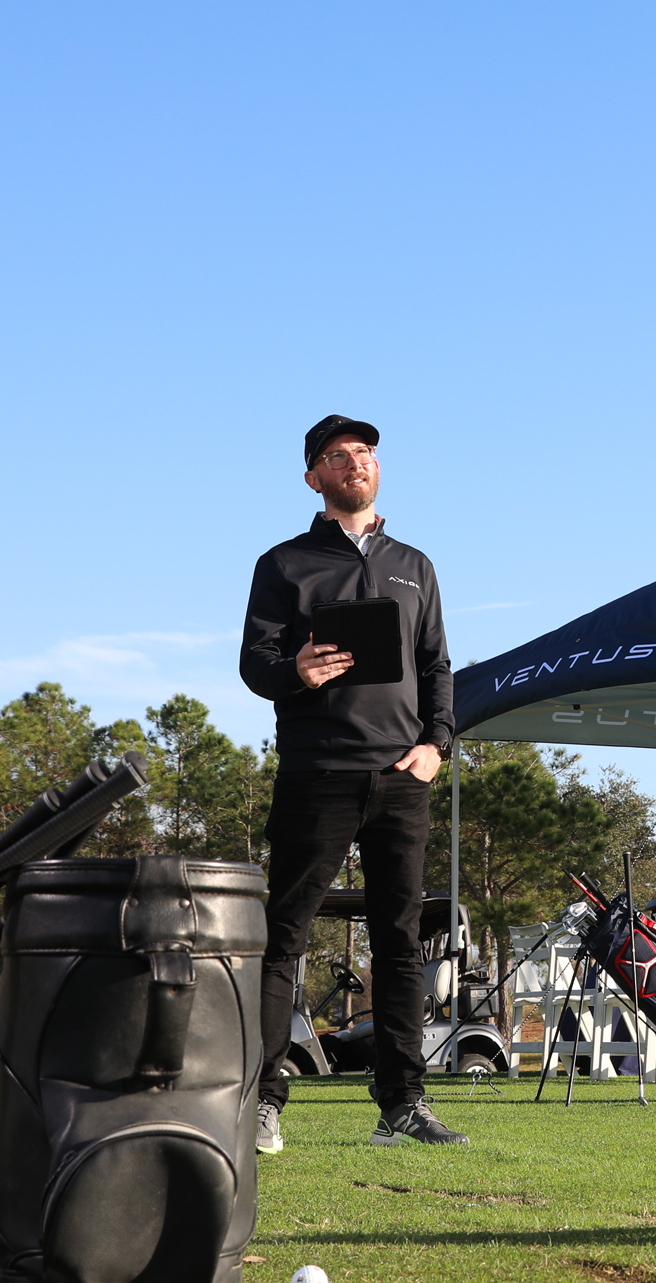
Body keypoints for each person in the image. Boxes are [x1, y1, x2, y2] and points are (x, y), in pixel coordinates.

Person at [240, 413, 463, 1154]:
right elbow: (254, 664)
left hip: (403, 778)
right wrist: (294, 674)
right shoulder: (284, 564)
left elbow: (436, 666)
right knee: (283, 940)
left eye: (364, 453)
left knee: (399, 944)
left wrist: (437, 744)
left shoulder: (415, 565)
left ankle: (401, 1104)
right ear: (314, 476)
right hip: (319, 771)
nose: (354, 463)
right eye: (337, 456)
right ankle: (262, 1102)